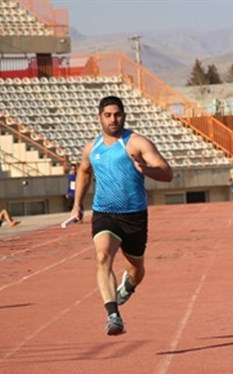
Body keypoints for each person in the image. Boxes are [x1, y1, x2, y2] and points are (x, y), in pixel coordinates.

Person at [70, 95, 173, 336]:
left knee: (136, 270)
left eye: (117, 115)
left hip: (134, 216)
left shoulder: (136, 143)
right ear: (100, 118)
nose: (113, 119)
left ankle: (128, 286)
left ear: (124, 116)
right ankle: (113, 315)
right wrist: (77, 205)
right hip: (105, 213)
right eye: (108, 115)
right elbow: (83, 172)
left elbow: (167, 173)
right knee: (102, 256)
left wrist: (145, 169)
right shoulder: (91, 148)